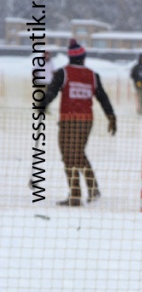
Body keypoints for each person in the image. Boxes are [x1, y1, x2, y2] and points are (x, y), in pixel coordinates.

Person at [40, 39, 117, 206]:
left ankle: (76, 195)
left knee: (69, 156)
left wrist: (42, 105)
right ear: (83, 57)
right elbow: (103, 97)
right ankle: (91, 189)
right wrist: (111, 116)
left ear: (70, 57)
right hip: (86, 121)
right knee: (78, 154)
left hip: (68, 120)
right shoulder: (92, 75)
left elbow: (51, 92)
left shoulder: (63, 73)